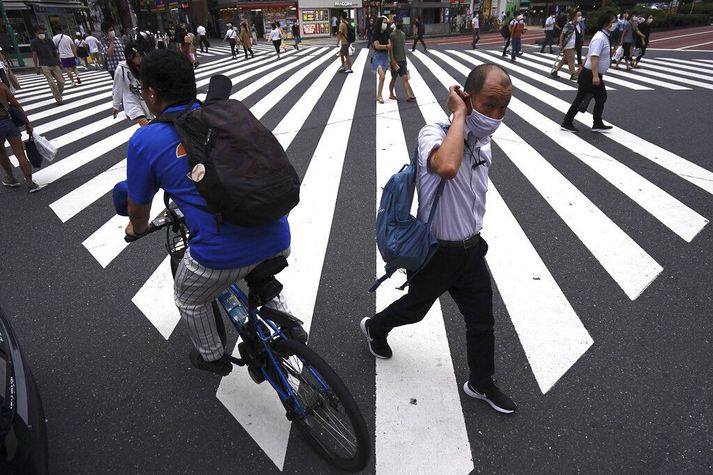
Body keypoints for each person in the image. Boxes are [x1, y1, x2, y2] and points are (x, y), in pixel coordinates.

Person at [360, 64, 517, 414]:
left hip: (470, 250)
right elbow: (446, 166)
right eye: (489, 104)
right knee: (415, 310)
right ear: (467, 96)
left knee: (482, 321)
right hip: (436, 252)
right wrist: (459, 114)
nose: (496, 115)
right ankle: (375, 327)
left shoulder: (482, 141)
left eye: (503, 108)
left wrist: (471, 120)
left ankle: (481, 382)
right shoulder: (434, 133)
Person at [125, 49, 292, 375]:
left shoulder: (146, 140)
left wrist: (136, 229)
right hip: (277, 231)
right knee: (257, 269)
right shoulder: (222, 114)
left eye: (143, 90)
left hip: (220, 253)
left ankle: (212, 355)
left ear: (152, 93)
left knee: (189, 297)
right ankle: (288, 328)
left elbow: (138, 210)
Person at [561, 11, 616, 133]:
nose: (615, 24)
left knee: (601, 97)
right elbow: (594, 57)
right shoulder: (600, 38)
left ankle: (597, 123)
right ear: (606, 23)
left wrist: (582, 66)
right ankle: (567, 122)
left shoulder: (603, 36)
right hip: (591, 74)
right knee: (580, 99)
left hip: (592, 73)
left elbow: (590, 54)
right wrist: (595, 76)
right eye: (613, 22)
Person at [0, 82, 39, 192]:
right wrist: (27, 123)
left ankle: (11, 178)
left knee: (1, 153)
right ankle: (30, 183)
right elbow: (16, 105)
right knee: (20, 153)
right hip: (8, 123)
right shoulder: (1, 86)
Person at [112, 42, 153, 126]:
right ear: (129, 57)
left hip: (144, 99)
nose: (139, 59)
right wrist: (116, 105)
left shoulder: (144, 66)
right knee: (145, 125)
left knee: (150, 125)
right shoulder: (121, 69)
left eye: (140, 55)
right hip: (131, 102)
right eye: (136, 56)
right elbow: (117, 88)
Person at [30, 25, 64, 105]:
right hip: (44, 64)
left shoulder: (49, 40)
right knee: (51, 83)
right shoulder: (34, 42)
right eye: (40, 32)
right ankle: (59, 99)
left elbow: (55, 52)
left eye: (43, 32)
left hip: (54, 62)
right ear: (36, 33)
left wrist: (59, 62)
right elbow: (34, 55)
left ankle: (57, 94)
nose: (42, 34)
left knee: (61, 81)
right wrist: (36, 67)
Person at [388, 20, 416, 102]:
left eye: (400, 23)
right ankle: (391, 94)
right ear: (396, 24)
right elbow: (391, 49)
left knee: (405, 78)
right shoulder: (392, 35)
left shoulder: (403, 34)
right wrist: (392, 60)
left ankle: (408, 95)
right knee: (394, 78)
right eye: (398, 23)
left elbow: (403, 47)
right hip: (395, 61)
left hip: (403, 60)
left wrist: (405, 59)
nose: (400, 25)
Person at [551, 11, 579, 81]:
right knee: (571, 61)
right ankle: (573, 75)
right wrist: (560, 44)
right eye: (577, 16)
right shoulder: (568, 24)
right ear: (574, 17)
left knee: (564, 60)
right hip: (568, 45)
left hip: (573, 45)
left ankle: (555, 71)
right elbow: (562, 34)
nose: (579, 17)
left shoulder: (577, 25)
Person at [372, 16, 390, 103]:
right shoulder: (376, 34)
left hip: (385, 56)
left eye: (386, 23)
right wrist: (386, 46)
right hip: (377, 57)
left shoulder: (387, 34)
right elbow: (376, 46)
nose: (385, 24)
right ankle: (379, 96)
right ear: (380, 23)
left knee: (382, 78)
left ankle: (379, 95)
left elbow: (391, 45)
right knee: (382, 76)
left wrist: (385, 47)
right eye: (384, 22)